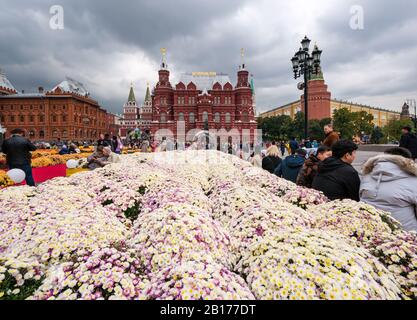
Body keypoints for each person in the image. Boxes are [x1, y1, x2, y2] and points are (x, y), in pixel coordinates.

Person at [360, 147, 417, 232]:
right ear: (407, 161)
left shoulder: (367, 176)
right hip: (404, 234)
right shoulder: (413, 179)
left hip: (369, 230)